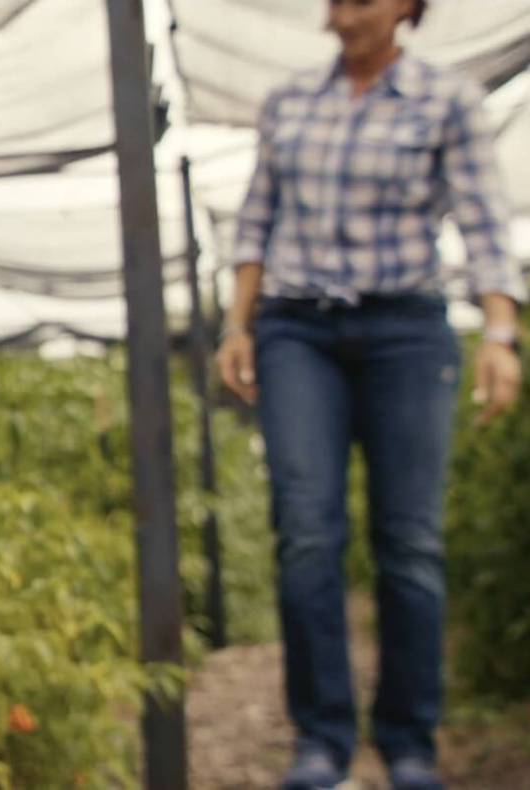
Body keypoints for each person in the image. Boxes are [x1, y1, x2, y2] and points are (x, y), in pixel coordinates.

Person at [214, 0, 525, 788]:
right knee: (307, 533)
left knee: (410, 542)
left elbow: (485, 220)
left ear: (406, 9)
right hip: (297, 331)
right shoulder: (291, 101)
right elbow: (256, 223)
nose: (347, 10)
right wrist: (238, 326)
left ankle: (408, 742)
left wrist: (498, 334)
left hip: (405, 331)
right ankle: (321, 740)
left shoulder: (445, 99)